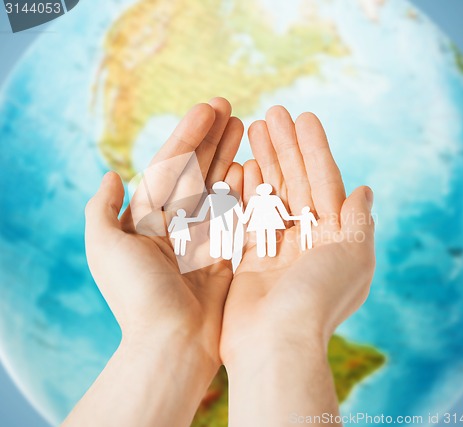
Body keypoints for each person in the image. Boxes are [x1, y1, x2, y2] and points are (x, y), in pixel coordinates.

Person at [63, 98, 375, 427]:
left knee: (261, 242)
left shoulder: (232, 204)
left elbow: (246, 214)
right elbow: (242, 213)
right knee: (245, 241)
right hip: (226, 232)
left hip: (245, 231)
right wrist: (283, 336)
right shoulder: (225, 206)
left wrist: (285, 331)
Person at [193, 181, 244, 260]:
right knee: (222, 238)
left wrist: (195, 219)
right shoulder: (229, 199)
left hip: (222, 223)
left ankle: (222, 253)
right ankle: (221, 253)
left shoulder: (213, 198)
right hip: (221, 223)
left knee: (219, 237)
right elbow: (241, 215)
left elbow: (202, 214)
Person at [240, 182, 292, 258]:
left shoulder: (256, 199)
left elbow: (246, 216)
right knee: (268, 235)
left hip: (263, 220)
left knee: (265, 235)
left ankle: (268, 253)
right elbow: (285, 215)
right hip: (267, 220)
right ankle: (269, 253)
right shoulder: (272, 198)